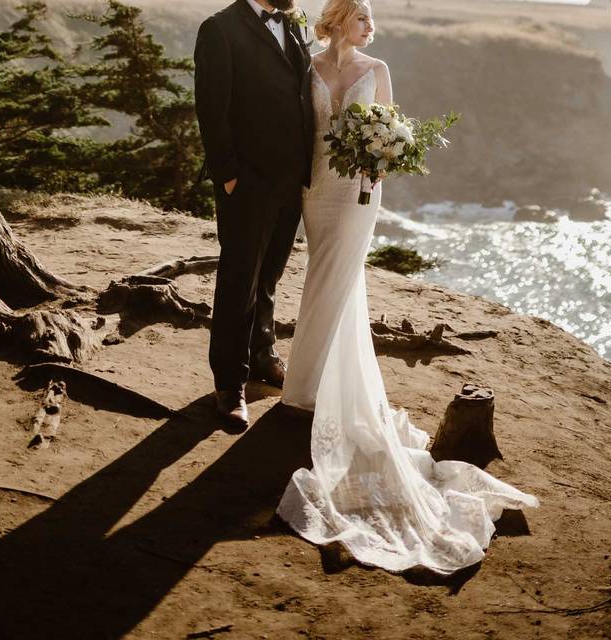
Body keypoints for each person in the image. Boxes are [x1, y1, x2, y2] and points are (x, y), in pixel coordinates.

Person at [275, 0, 540, 575]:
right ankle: (312, 381)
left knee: (338, 278)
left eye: (372, 19)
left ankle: (315, 388)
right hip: (316, 188)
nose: (371, 26)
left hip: (359, 193)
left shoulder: (379, 71)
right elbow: (302, 128)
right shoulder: (310, 67)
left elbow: (393, 134)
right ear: (339, 18)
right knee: (324, 277)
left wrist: (380, 158)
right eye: (362, 16)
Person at [193, 0, 315, 429]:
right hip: (246, 184)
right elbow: (211, 108)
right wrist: (228, 176)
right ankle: (229, 383)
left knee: (269, 277)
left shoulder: (294, 24)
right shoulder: (219, 29)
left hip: (291, 181)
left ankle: (262, 354)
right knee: (239, 279)